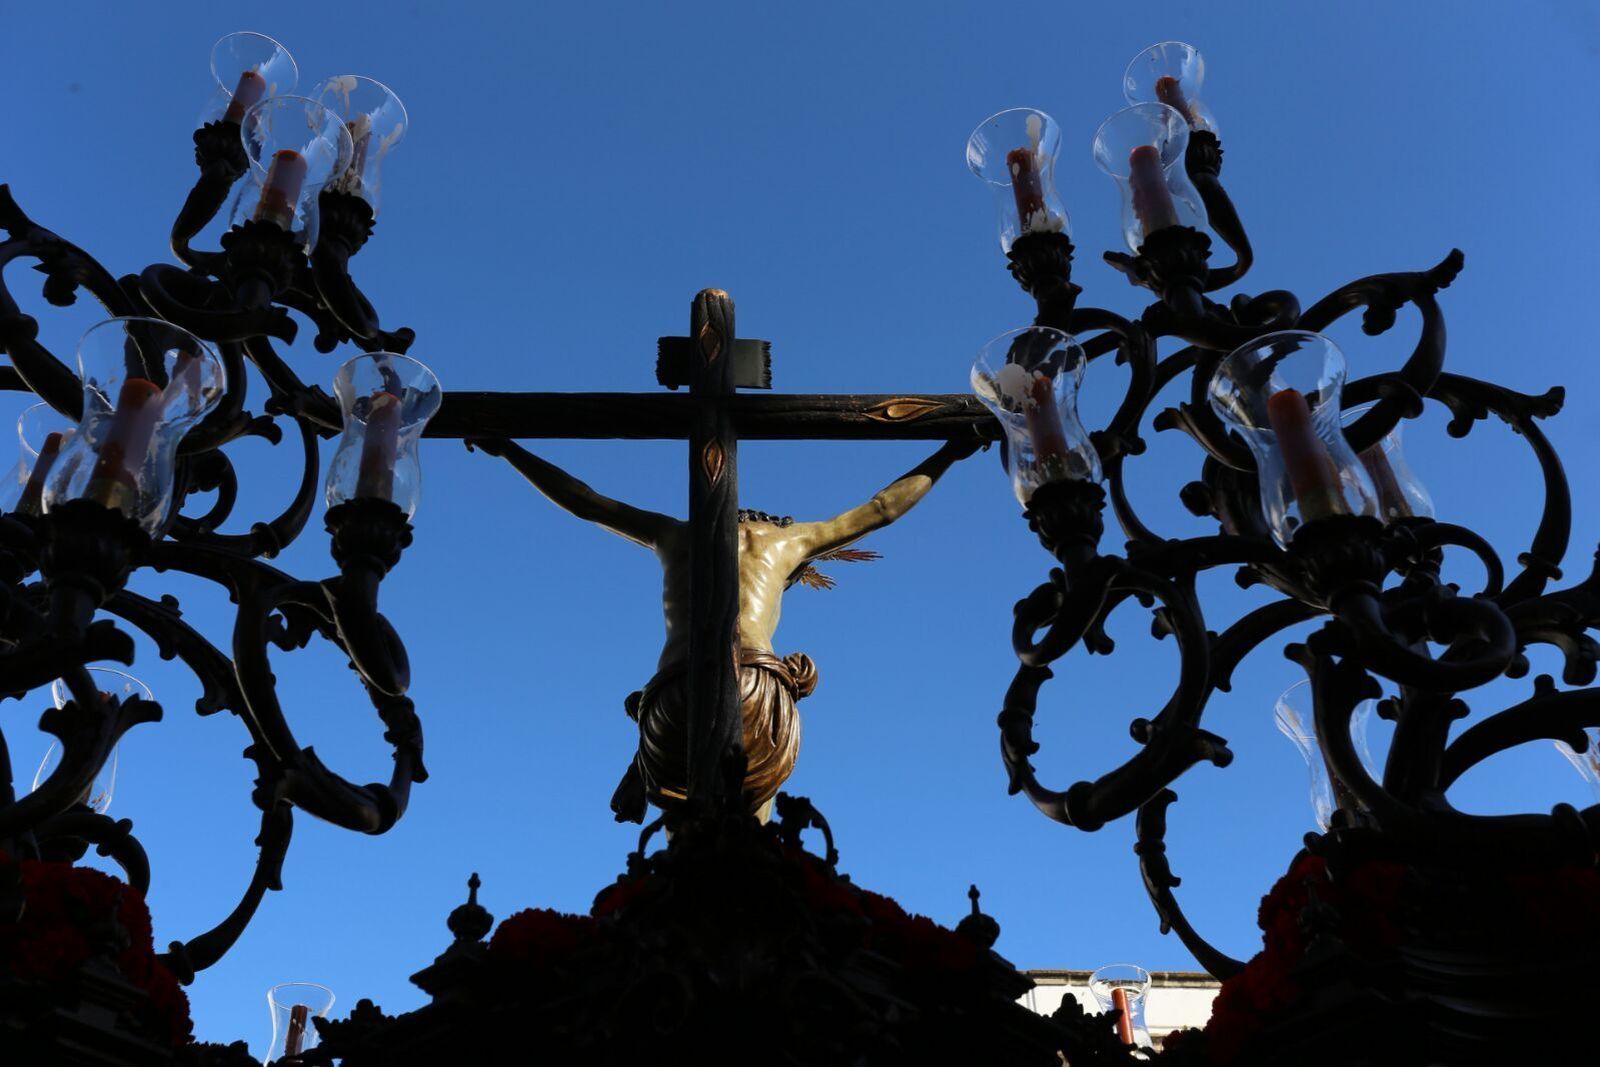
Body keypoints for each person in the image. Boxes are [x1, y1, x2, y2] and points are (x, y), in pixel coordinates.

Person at [471, 437, 977, 821]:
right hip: (757, 685)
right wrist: (949, 453)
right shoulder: (789, 542)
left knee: (683, 832)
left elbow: (584, 500)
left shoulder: (673, 534)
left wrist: (508, 449)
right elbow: (882, 508)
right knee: (748, 823)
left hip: (678, 689)